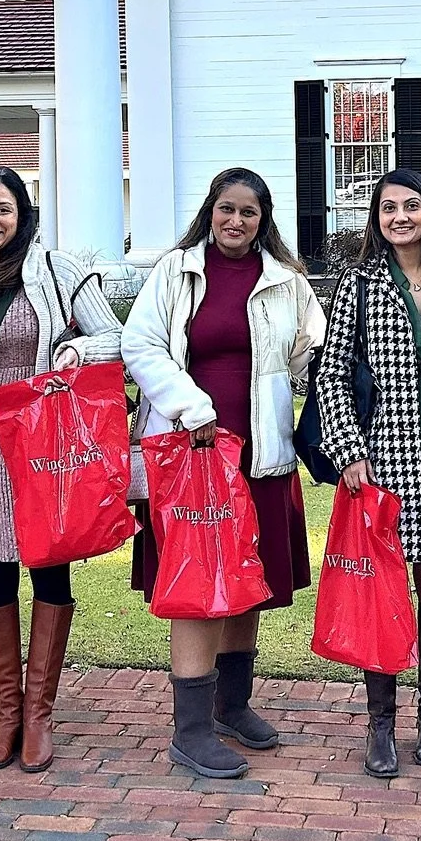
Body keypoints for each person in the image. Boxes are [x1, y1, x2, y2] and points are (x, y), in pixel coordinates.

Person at [123, 167, 326, 779]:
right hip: (192, 451)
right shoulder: (176, 270)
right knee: (195, 583)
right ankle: (189, 731)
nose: (235, 221)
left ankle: (231, 705)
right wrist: (192, 407)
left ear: (264, 220)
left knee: (247, 576)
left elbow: (311, 348)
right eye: (225, 209)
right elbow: (141, 345)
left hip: (261, 454)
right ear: (209, 211)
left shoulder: (286, 283)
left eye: (248, 212)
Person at [0, 165, 125, 774]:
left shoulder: (56, 271)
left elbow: (117, 339)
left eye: (5, 209)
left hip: (46, 451)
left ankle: (39, 712)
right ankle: (6, 712)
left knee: (49, 574)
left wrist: (74, 350)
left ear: (23, 217)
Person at [315, 169, 421, 777]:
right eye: (389, 208)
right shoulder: (358, 285)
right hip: (383, 450)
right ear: (376, 219)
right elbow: (331, 374)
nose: (402, 217)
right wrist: (349, 451)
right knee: (382, 588)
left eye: (412, 206)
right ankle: (380, 721)